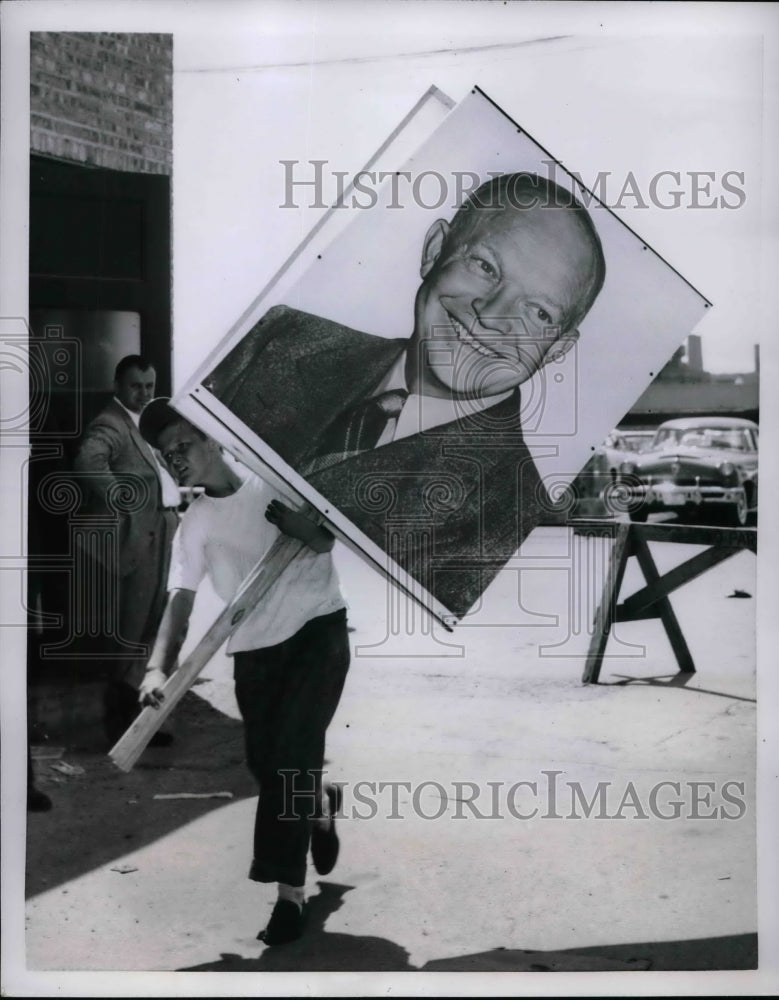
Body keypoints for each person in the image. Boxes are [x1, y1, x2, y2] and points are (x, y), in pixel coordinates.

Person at [204, 172, 606, 619]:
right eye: (485, 266)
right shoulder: (278, 339)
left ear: (558, 349)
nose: (492, 316)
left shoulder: (509, 508)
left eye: (539, 312)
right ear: (435, 250)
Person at [137, 399, 350, 946]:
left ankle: (289, 896)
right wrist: (157, 668)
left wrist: (304, 528)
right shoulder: (196, 524)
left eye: (182, 446)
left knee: (291, 760)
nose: (175, 459)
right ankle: (319, 804)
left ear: (211, 439)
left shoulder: (273, 479)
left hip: (316, 633)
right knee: (266, 764)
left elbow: (327, 538)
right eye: (165, 455)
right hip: (255, 650)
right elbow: (181, 599)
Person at [73, 355, 180, 745]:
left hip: (162, 533)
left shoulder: (143, 423)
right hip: (139, 539)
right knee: (132, 631)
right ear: (118, 385)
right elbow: (88, 462)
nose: (144, 393)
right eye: (136, 386)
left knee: (153, 627)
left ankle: (140, 725)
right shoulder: (111, 422)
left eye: (150, 386)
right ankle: (120, 727)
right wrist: (124, 502)